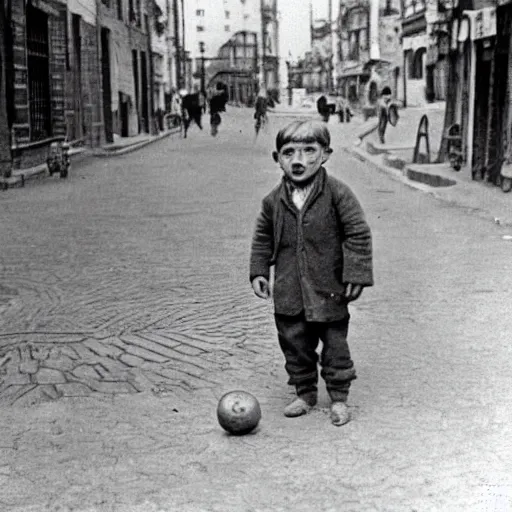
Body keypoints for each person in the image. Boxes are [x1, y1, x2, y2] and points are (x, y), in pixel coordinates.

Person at [250, 120, 374, 427]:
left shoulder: (337, 194)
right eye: (289, 152)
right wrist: (259, 271)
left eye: (309, 150)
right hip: (289, 291)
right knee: (294, 344)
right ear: (277, 157)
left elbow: (357, 233)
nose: (299, 160)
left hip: (328, 288)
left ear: (325, 154)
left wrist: (356, 274)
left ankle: (339, 397)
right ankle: (304, 393)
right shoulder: (273, 201)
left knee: (335, 346)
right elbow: (263, 237)